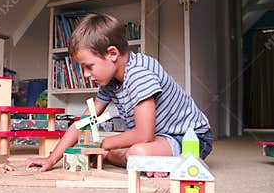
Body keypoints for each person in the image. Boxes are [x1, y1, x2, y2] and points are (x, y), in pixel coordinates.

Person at [26, 14, 213, 174]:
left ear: (112, 54)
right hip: (159, 137)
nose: (85, 75)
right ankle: (144, 160)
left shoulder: (140, 74)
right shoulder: (111, 82)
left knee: (136, 152)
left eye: (89, 66)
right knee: (126, 149)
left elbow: (143, 135)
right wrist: (52, 159)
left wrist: (101, 145)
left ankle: (149, 161)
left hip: (191, 137)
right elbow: (83, 123)